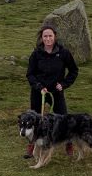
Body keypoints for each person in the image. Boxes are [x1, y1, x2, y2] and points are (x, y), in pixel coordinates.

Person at [24, 23, 79, 158]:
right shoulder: (36, 54)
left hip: (56, 92)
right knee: (35, 119)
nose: (48, 39)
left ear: (55, 37)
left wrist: (64, 84)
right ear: (41, 38)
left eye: (50, 36)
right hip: (39, 92)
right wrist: (38, 86)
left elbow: (73, 70)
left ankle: (69, 144)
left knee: (64, 119)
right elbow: (30, 74)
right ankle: (32, 146)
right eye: (45, 36)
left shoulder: (63, 53)